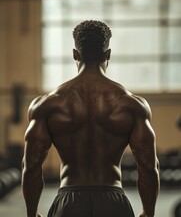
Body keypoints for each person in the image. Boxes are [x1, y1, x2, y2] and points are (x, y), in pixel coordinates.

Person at [22, 20, 160, 217]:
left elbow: (31, 165)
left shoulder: (47, 105)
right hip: (113, 202)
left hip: (68, 203)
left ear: (75, 54)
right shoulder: (132, 105)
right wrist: (149, 213)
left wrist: (31, 213)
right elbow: (148, 166)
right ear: (108, 54)